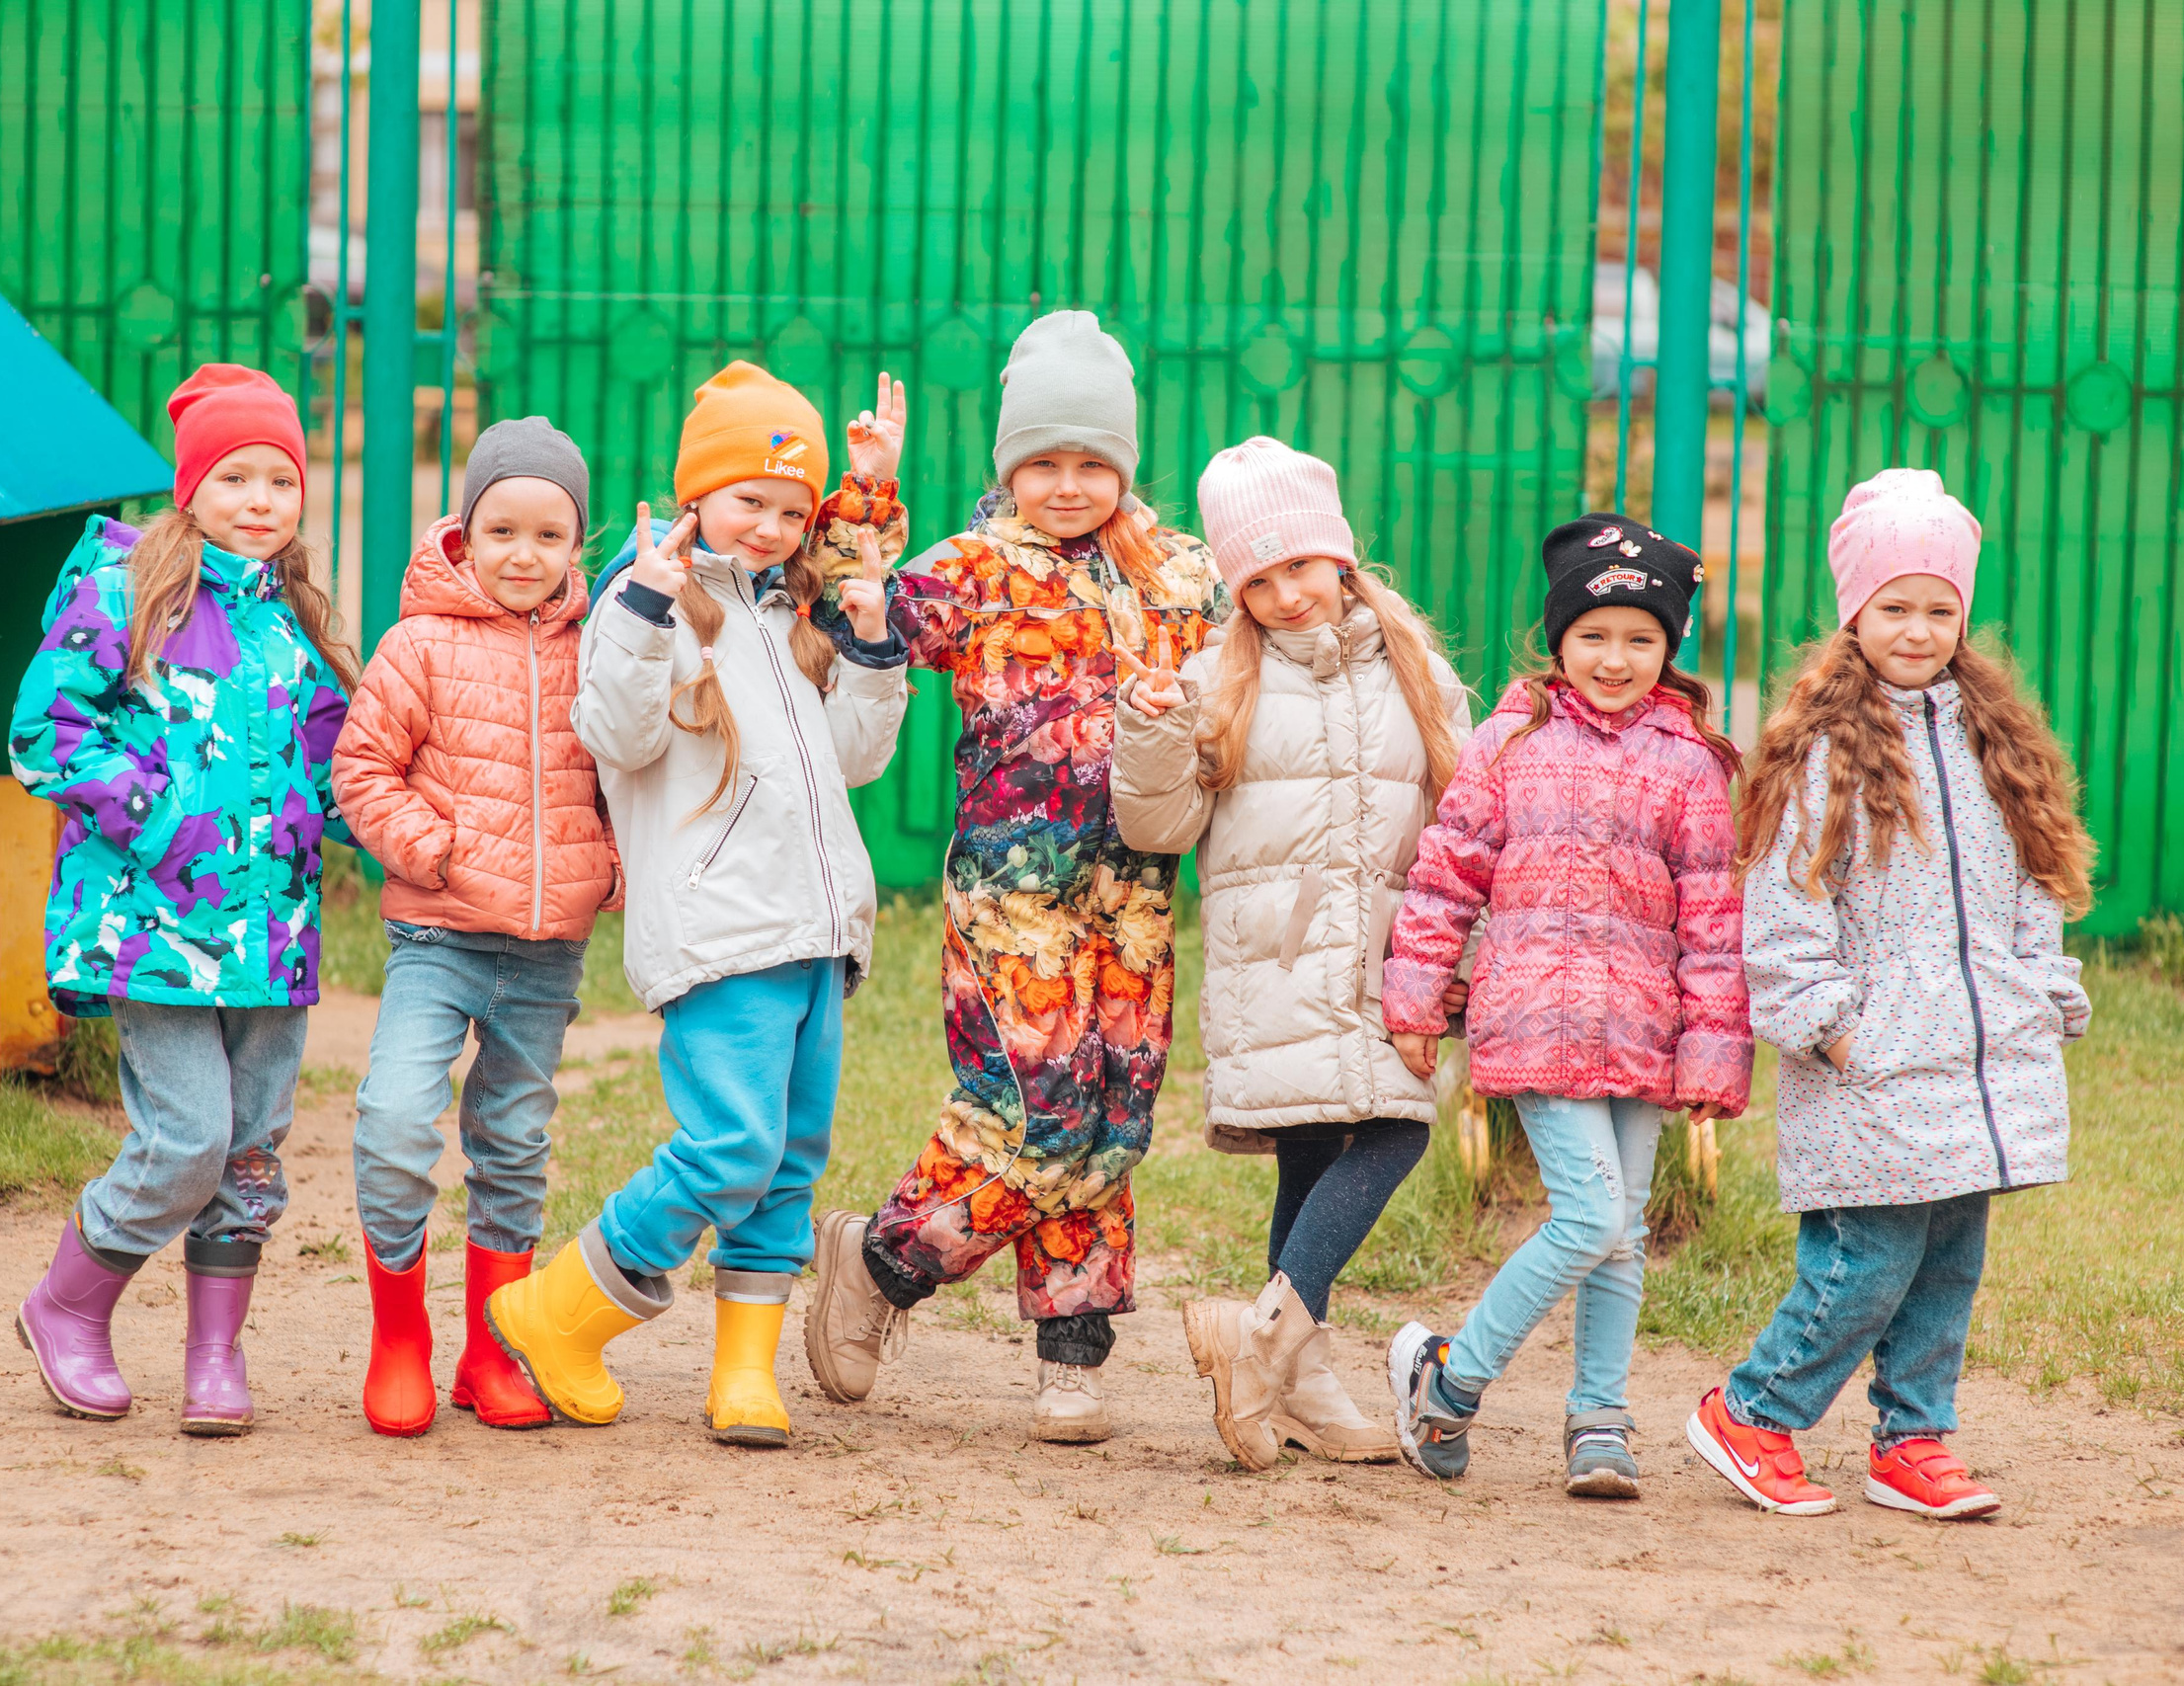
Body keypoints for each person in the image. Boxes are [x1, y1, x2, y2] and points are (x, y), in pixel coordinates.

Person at [801, 311, 1226, 1444]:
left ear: (1126, 464)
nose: (1070, 484)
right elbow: (852, 604)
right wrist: (866, 497)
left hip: (1134, 895)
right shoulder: (972, 570)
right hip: (1011, 895)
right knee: (1037, 1111)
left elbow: (1247, 678)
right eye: (1044, 462)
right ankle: (885, 1262)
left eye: (1093, 463)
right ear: (1009, 467)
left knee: (1114, 1118)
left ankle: (1071, 1354)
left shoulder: (1179, 577)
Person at [483, 362, 909, 1445]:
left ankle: (743, 1374)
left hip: (814, 934)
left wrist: (867, 646)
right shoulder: (655, 601)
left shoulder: (791, 616)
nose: (767, 526)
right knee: (730, 1144)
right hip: (722, 933)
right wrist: (637, 611)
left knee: (786, 1163)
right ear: (695, 496)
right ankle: (559, 1312)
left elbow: (856, 761)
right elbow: (617, 737)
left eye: (787, 508)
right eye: (746, 501)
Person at [1686, 469, 2094, 1521]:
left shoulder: (1990, 742)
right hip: (1868, 1061)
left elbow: (2032, 883)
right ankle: (1753, 1412)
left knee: (1948, 1264)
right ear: (1853, 614)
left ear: (1962, 615)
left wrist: (2041, 988)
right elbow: (1784, 905)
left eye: (1937, 608)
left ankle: (1912, 1440)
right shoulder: (1821, 751)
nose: (1916, 630)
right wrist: (1832, 1027)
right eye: (1893, 608)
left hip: (1975, 1055)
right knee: (1864, 1262)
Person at [1108, 437, 1472, 1469]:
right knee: (1362, 1139)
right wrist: (1151, 734)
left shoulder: (1423, 677)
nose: (1284, 593)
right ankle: (1273, 1344)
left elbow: (1463, 824)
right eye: (1256, 580)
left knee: (1360, 1138)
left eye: (1298, 566)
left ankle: (1281, 1367)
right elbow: (1157, 828)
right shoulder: (1216, 680)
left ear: (1340, 556)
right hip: (1277, 960)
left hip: (1393, 958)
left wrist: (1462, 958)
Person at [9, 364, 356, 1435]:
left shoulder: (299, 625)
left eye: (280, 481)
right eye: (236, 476)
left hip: (271, 940)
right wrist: (157, 815)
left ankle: (214, 1355)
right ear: (192, 486)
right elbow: (45, 733)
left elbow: (347, 773)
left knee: (250, 1152)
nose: (260, 500)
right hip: (153, 933)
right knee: (188, 1140)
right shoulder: (127, 591)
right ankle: (68, 1304)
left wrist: (412, 822)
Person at [1382, 515, 1749, 1497]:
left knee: (1620, 1232)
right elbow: (1443, 878)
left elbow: (1714, 920)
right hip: (1531, 1017)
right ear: (1557, 640)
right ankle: (1448, 1384)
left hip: (1642, 1028)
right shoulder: (1509, 742)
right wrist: (1416, 997)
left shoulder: (1691, 762)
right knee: (1588, 1220)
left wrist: (1714, 1054)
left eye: (1640, 638)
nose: (1615, 658)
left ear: (1670, 648)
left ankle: (1598, 1419)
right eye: (1593, 635)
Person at [331, 417, 618, 1436]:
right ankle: (398, 1338)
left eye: (549, 535)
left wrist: (611, 868)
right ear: (463, 530)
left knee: (512, 1137)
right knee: (398, 1121)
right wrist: (433, 852)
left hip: (547, 951)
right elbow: (362, 770)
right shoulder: (421, 644)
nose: (524, 554)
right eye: (502, 530)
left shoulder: (600, 647)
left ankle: (491, 1352)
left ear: (575, 545)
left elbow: (628, 772)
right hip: (440, 939)